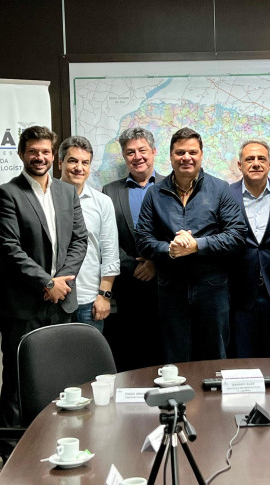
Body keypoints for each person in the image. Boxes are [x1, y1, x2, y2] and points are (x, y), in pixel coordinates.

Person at [0, 126, 88, 446]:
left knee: (58, 379)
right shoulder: (7, 193)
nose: (40, 157)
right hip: (23, 306)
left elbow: (79, 241)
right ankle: (11, 453)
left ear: (53, 155)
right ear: (22, 153)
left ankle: (56, 444)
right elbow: (9, 248)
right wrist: (46, 282)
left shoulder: (66, 192)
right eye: (33, 151)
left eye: (45, 151)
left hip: (62, 303)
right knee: (18, 382)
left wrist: (62, 283)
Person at [135, 127, 246, 362]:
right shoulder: (154, 194)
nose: (186, 157)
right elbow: (143, 239)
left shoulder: (220, 189)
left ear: (201, 155)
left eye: (192, 152)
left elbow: (236, 235)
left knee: (214, 357)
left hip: (212, 289)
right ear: (171, 156)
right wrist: (170, 249)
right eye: (180, 152)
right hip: (170, 290)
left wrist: (197, 245)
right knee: (174, 359)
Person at [102, 127, 165, 370]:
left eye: (142, 150)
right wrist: (133, 266)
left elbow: (178, 231)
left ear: (153, 151)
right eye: (130, 152)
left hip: (165, 286)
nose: (137, 157)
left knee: (164, 356)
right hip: (127, 286)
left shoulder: (171, 186)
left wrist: (156, 264)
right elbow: (108, 239)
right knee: (130, 358)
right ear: (124, 156)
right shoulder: (110, 191)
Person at [228, 139, 270, 357]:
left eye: (261, 159)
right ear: (240, 165)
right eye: (250, 159)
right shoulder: (226, 195)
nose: (256, 163)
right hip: (239, 296)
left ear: (269, 164)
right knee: (242, 361)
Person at [57, 135, 120, 332]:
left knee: (88, 353)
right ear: (60, 163)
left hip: (90, 301)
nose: (79, 168)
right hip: (54, 299)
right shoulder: (47, 199)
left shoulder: (102, 202)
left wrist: (104, 295)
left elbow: (110, 252)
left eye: (85, 163)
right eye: (73, 161)